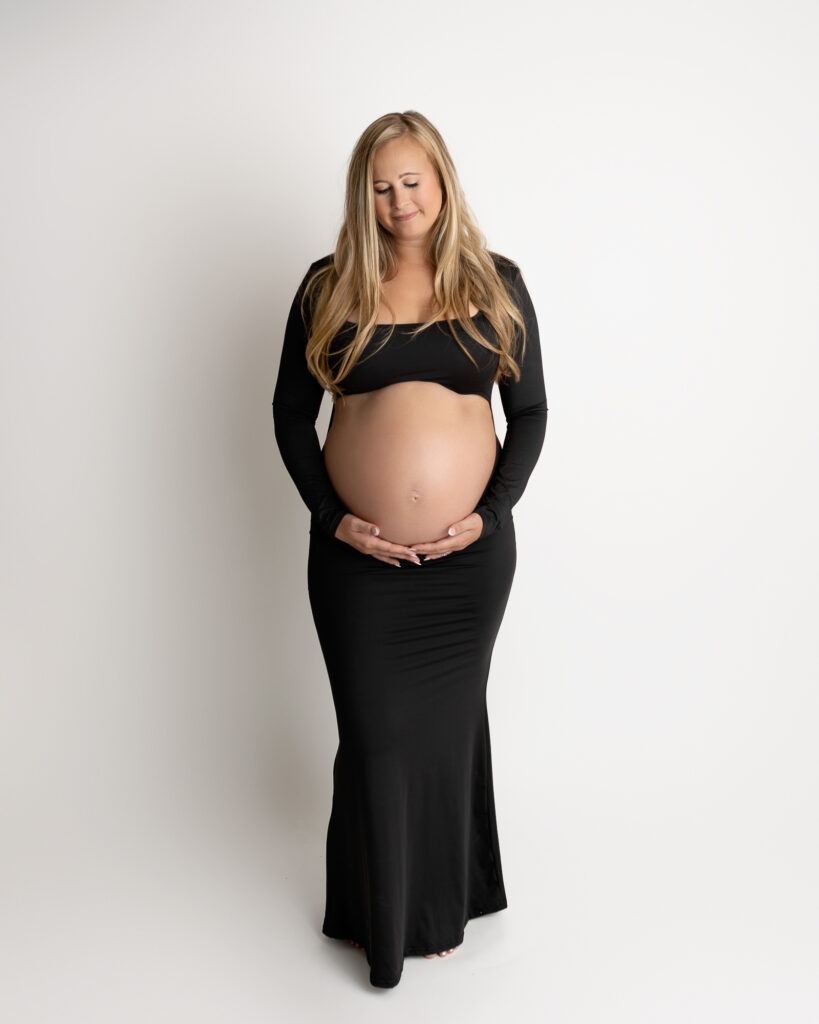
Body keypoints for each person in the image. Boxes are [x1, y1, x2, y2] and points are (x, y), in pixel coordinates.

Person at [272, 110, 548, 989]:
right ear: (366, 193)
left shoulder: (496, 281)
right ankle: (374, 911)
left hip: (468, 567)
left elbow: (530, 412)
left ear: (441, 180)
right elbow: (287, 412)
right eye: (382, 185)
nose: (399, 200)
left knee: (445, 729)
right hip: (358, 565)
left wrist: (491, 512)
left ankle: (438, 907)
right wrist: (331, 515)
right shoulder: (328, 287)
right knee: (375, 737)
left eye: (412, 181)